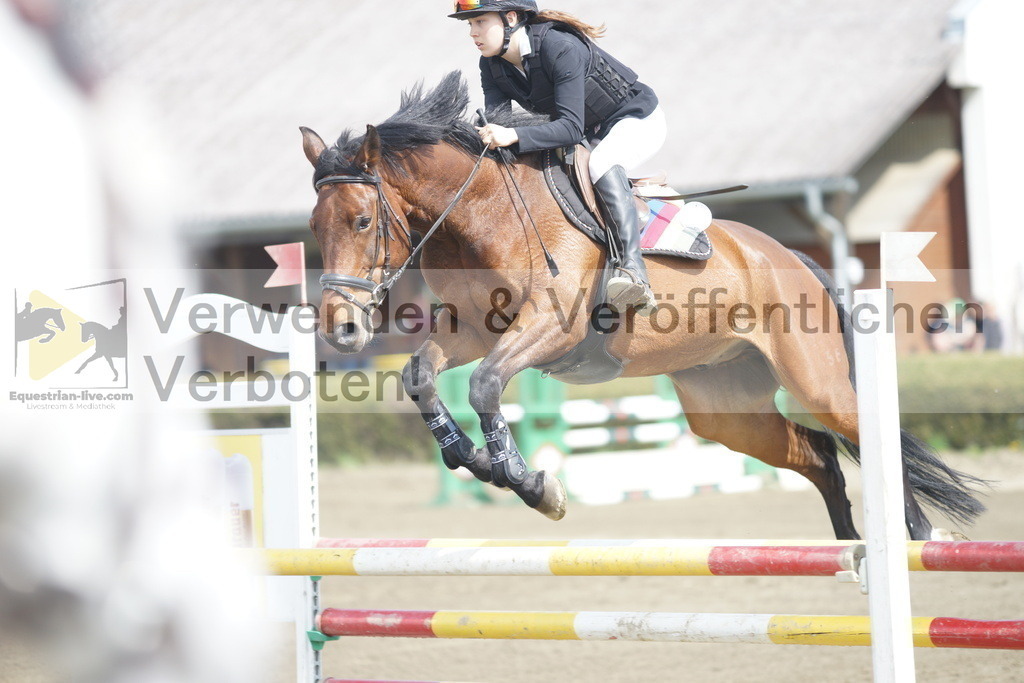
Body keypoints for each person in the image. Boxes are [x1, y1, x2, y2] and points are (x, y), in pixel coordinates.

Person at [449, 1, 665, 314]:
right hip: (587, 131)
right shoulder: (492, 64)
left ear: (511, 18)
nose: (473, 32)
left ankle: (634, 272)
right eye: (469, 25)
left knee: (601, 162)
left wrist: (515, 136)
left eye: (480, 21)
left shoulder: (560, 47)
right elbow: (500, 123)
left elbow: (569, 127)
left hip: (635, 120)